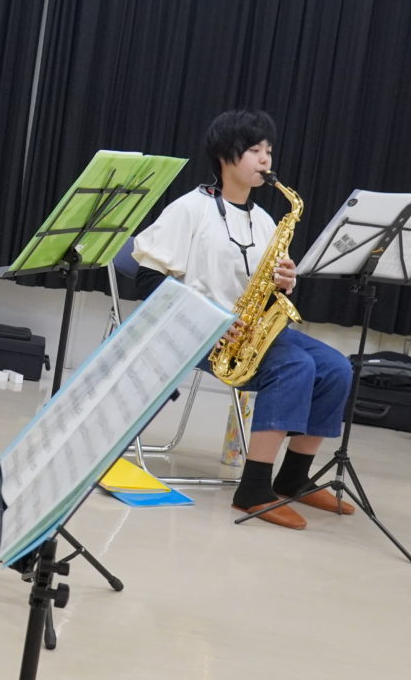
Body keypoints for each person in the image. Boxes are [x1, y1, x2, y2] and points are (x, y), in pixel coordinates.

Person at [131, 109, 354, 530]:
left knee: (337, 368)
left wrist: (283, 283)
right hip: (199, 333)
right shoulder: (190, 209)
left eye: (268, 150)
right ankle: (253, 489)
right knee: (294, 365)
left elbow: (261, 294)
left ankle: (293, 478)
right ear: (224, 156)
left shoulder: (265, 220)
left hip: (250, 331)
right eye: (254, 150)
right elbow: (147, 281)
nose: (265, 159)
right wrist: (209, 319)